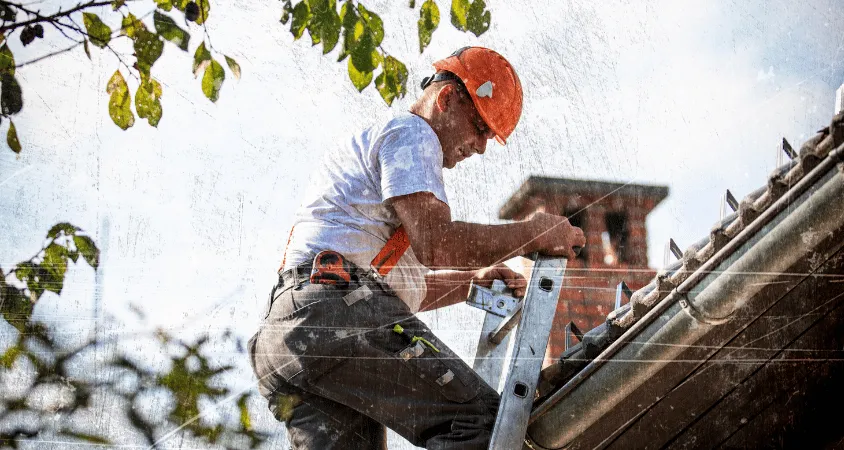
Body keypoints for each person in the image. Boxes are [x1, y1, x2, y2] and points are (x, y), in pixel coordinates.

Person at [248, 46, 586, 449]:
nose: (480, 147)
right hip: (333, 311)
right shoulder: (412, 134)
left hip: (291, 336)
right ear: (447, 98)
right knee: (481, 424)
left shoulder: (384, 168)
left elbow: (398, 290)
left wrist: (469, 283)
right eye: (480, 126)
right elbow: (436, 245)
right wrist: (533, 234)